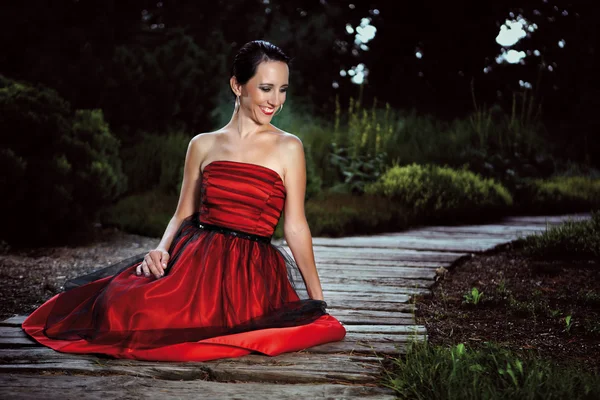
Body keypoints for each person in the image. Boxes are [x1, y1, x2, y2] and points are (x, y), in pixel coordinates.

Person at [21, 40, 346, 361]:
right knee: (126, 306)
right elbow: (182, 214)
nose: (275, 100)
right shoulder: (202, 144)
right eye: (266, 88)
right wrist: (161, 249)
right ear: (237, 85)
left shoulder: (289, 147)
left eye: (283, 89)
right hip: (195, 258)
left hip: (249, 270)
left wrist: (316, 302)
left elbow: (296, 225)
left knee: (214, 326)